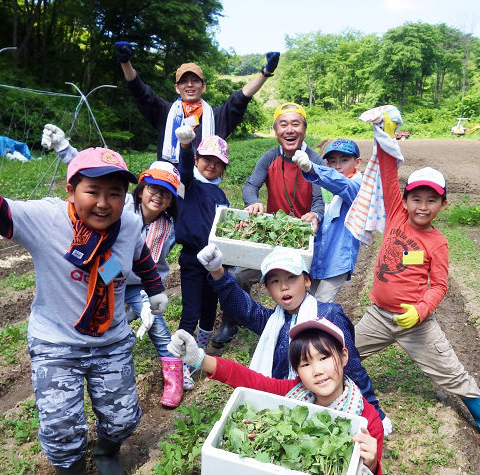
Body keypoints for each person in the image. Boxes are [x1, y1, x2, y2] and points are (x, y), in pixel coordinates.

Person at [0, 125, 169, 475]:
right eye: (92, 192)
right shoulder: (45, 220)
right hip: (56, 341)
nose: (104, 203)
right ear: (71, 190)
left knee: (123, 417)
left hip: (111, 338)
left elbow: (139, 257)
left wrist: (154, 290)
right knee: (61, 424)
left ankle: (108, 453)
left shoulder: (130, 221)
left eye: (114, 192)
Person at [167, 317, 383, 475]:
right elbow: (249, 380)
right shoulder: (292, 393)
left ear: (344, 356)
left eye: (324, 358)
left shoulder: (366, 420)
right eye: (305, 363)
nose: (317, 370)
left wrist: (371, 462)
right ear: (296, 370)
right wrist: (199, 359)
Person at [353, 114, 480, 449]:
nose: (422, 206)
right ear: (407, 200)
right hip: (378, 316)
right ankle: (323, 389)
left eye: (431, 200)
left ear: (442, 204)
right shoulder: (397, 214)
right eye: (416, 198)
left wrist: (421, 310)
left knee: (452, 373)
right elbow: (387, 173)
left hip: (416, 323)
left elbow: (440, 286)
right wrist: (386, 135)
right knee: (343, 353)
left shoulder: (437, 242)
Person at [42, 123, 183, 409]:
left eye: (166, 193)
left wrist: (142, 300)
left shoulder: (165, 229)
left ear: (170, 202)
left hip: (140, 284)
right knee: (100, 312)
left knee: (157, 325)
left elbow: (147, 266)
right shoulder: (121, 207)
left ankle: (175, 376)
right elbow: (93, 173)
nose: (158, 196)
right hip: (109, 275)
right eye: (153, 189)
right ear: (141, 189)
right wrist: (64, 149)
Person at [197, 244, 391, 434]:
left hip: (320, 405)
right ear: (267, 289)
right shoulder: (273, 321)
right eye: (274, 281)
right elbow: (244, 309)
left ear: (307, 281)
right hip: (281, 400)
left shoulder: (329, 316)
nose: (284, 286)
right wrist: (218, 272)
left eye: (291, 277)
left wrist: (375, 411)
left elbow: (352, 366)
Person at [213, 102, 325, 348]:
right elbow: (250, 186)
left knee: (301, 286)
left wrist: (315, 215)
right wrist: (252, 203)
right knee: (240, 275)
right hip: (273, 236)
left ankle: (296, 333)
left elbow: (320, 199)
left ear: (304, 129)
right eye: (283, 124)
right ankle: (231, 320)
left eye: (296, 123)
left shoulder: (315, 159)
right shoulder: (270, 157)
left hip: (302, 237)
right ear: (275, 131)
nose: (289, 129)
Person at [115, 41, 279, 164]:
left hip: (203, 185)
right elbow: (141, 92)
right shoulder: (164, 112)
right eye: (184, 81)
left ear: (203, 87)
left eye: (195, 80)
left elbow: (240, 99)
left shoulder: (216, 117)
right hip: (169, 184)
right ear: (177, 88)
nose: (190, 85)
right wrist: (125, 62)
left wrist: (266, 72)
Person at [173, 124, 231, 391]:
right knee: (191, 311)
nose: (212, 165)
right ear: (197, 159)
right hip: (192, 260)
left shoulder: (220, 196)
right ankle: (182, 362)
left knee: (210, 309)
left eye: (218, 163)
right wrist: (185, 146)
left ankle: (200, 353)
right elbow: (184, 170)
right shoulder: (189, 185)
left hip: (216, 262)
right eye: (207, 159)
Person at [291, 138, 364, 302]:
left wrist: (312, 168)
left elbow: (341, 184)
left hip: (338, 259)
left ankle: (326, 328)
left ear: (357, 162)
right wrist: (316, 216)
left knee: (322, 303)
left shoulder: (358, 186)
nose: (338, 166)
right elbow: (328, 211)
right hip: (320, 257)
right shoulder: (329, 189)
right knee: (308, 301)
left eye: (344, 160)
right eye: (332, 161)